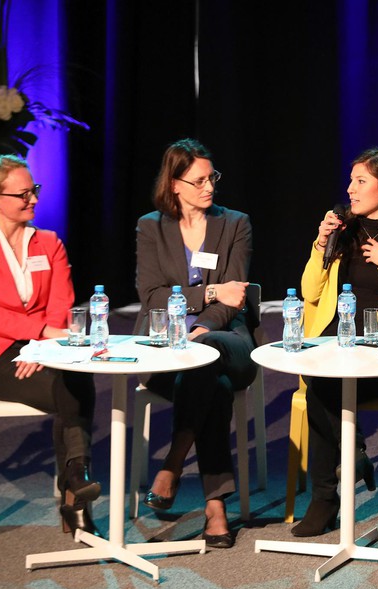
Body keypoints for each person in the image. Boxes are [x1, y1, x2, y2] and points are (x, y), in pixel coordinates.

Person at [0, 155, 100, 537]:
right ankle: (75, 496)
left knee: (78, 380)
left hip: (41, 352)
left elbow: (62, 306)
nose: (33, 199)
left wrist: (40, 349)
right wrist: (37, 338)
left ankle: (76, 478)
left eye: (34, 190)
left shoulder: (49, 243)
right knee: (67, 386)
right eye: (23, 194)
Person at [292, 147, 378, 537]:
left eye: (361, 182)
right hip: (334, 347)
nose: (351, 190)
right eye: (351, 181)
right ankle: (350, 458)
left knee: (324, 390)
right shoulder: (341, 229)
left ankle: (325, 497)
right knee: (322, 382)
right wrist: (321, 245)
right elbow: (309, 291)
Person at [135, 138, 256, 549]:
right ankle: (216, 507)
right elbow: (151, 296)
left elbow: (236, 295)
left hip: (227, 340)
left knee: (211, 354)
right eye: (199, 180)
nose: (210, 187)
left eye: (212, 178)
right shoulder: (150, 227)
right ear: (174, 184)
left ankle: (171, 464)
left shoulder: (235, 223)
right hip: (167, 349)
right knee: (213, 385)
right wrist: (207, 294)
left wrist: (202, 329)